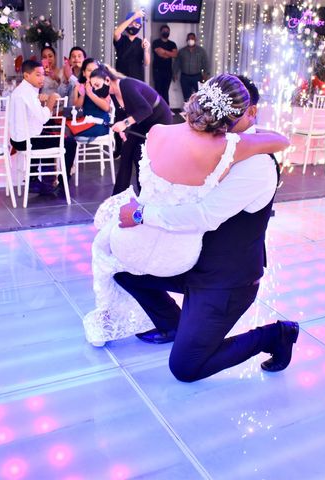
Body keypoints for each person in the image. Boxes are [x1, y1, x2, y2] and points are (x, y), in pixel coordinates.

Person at [83, 75, 296, 381]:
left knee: (185, 367)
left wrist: (143, 215)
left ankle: (275, 335)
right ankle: (171, 323)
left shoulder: (256, 163)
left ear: (248, 113)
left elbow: (204, 215)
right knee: (122, 269)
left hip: (225, 278)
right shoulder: (207, 142)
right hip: (188, 260)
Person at [89, 64, 173, 195]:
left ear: (107, 80)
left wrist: (125, 123)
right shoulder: (113, 92)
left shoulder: (126, 85)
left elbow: (146, 109)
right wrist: (123, 129)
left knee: (139, 155)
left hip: (158, 119)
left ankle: (145, 195)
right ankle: (117, 197)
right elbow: (121, 112)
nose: (95, 90)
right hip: (142, 120)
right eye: (93, 87)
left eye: (97, 85)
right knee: (126, 152)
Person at [9, 60, 77, 196]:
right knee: (70, 143)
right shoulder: (27, 93)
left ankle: (38, 180)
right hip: (26, 141)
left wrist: (41, 102)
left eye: (42, 75)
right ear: (26, 76)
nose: (42, 78)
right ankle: (62, 183)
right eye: (38, 75)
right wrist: (51, 101)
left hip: (18, 139)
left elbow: (34, 117)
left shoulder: (23, 90)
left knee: (47, 134)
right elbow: (43, 118)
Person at [72, 58, 112, 139]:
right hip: (84, 122)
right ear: (84, 73)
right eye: (89, 70)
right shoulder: (79, 86)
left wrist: (90, 93)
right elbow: (76, 109)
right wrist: (83, 93)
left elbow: (107, 108)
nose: (93, 73)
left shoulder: (103, 86)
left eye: (95, 70)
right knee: (69, 131)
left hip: (100, 122)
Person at [113, 10, 151, 81]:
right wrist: (133, 17)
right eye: (131, 24)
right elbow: (116, 33)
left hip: (137, 79)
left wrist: (146, 50)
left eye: (136, 24)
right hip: (121, 78)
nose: (134, 26)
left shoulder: (141, 42)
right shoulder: (122, 39)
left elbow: (146, 63)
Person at [174, 33, 210, 102]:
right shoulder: (182, 51)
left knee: (199, 96)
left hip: (197, 76)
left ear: (195, 40)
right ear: (186, 40)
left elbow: (205, 63)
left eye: (192, 38)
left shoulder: (201, 51)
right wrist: (175, 73)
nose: (190, 40)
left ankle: (199, 111)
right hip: (185, 77)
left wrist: (206, 74)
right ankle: (188, 111)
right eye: (189, 38)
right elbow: (177, 63)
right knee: (186, 97)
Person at [152, 24, 178, 106]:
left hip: (168, 71)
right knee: (158, 90)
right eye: (164, 31)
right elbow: (160, 54)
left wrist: (164, 51)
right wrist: (169, 53)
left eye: (167, 31)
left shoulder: (172, 44)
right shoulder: (156, 42)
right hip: (157, 70)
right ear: (160, 32)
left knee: (165, 90)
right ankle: (158, 109)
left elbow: (175, 55)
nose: (166, 32)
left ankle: (167, 108)